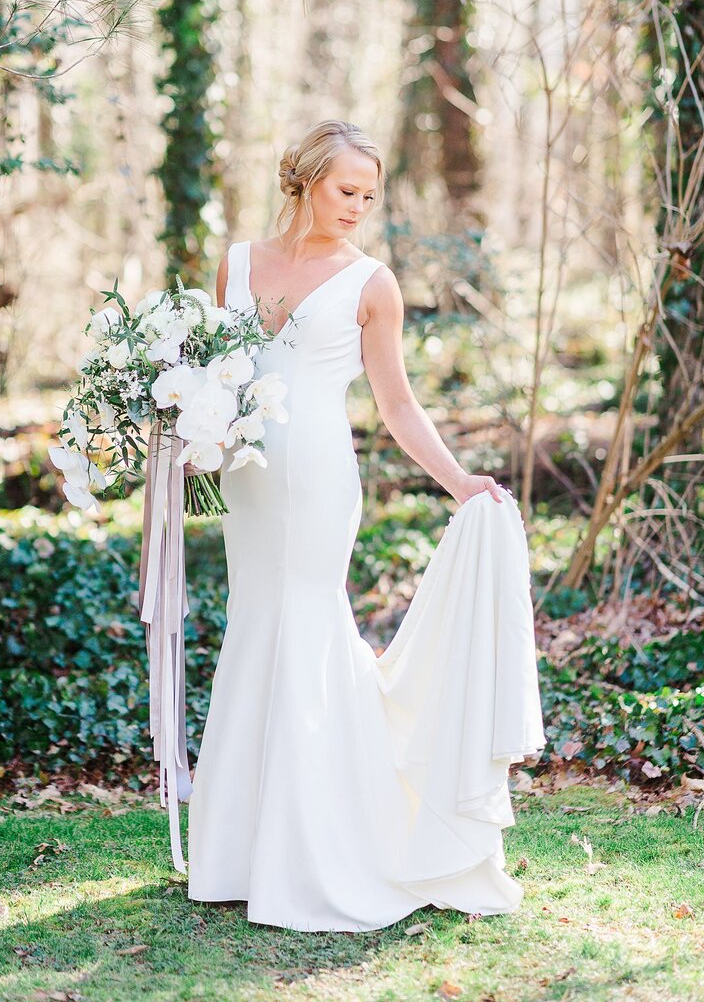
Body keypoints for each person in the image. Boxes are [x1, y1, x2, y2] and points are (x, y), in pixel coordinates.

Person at [185, 119, 546, 931]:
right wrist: (181, 429)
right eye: (347, 190)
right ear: (306, 178)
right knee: (254, 628)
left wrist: (458, 481)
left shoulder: (371, 283)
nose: (359, 207)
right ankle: (238, 853)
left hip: (317, 479)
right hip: (245, 480)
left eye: (369, 195)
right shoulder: (236, 262)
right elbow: (212, 372)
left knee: (309, 627)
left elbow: (396, 403)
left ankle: (324, 848)